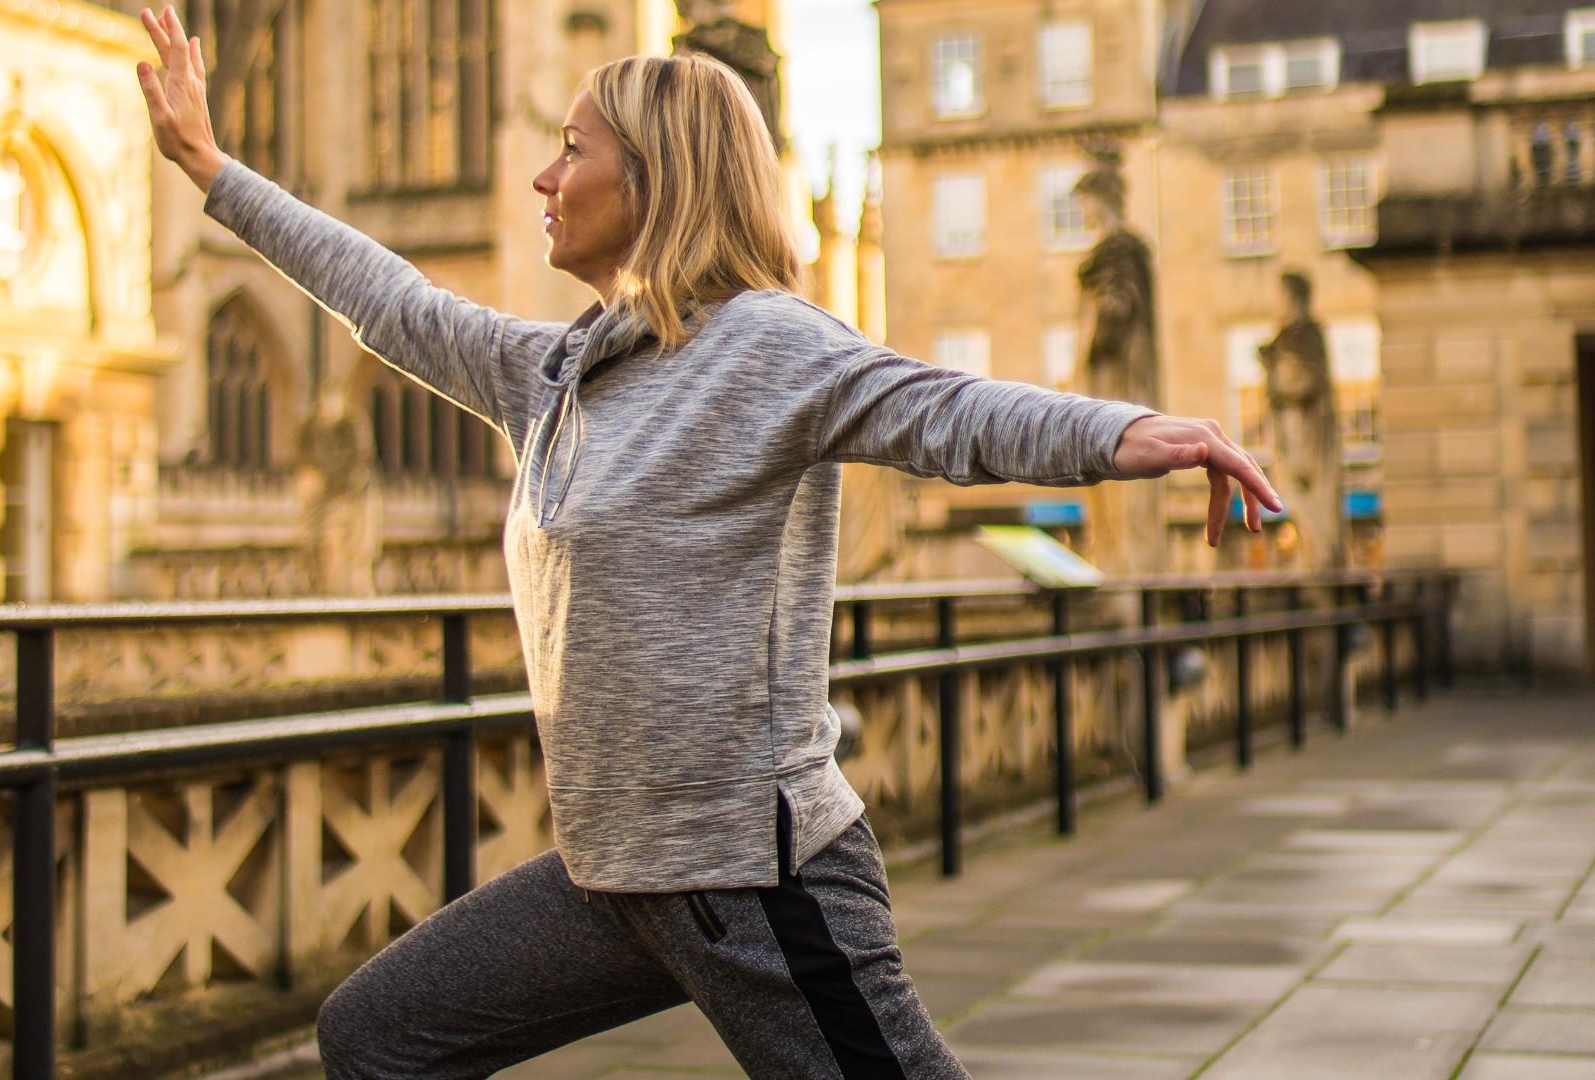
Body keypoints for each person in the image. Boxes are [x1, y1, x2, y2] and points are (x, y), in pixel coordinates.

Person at [135, 9, 1281, 1076]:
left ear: (656, 181)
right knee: (378, 1036)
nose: (543, 174)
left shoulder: (769, 345)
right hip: (613, 877)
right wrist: (211, 169)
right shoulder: (554, 376)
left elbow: (948, 412)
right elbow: (388, 298)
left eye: (571, 149)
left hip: (756, 878)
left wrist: (1141, 433)